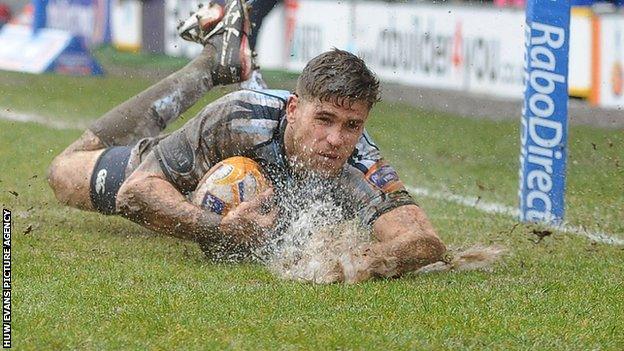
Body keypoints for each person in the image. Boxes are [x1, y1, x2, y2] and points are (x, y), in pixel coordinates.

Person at [47, 0, 446, 282]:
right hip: (200, 163)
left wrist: (355, 261)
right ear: (293, 109)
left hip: (243, 181)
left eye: (351, 125)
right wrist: (218, 228)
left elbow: (423, 242)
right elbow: (136, 193)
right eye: (323, 119)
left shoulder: (361, 163)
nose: (335, 139)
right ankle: (207, 67)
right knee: (64, 172)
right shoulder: (239, 117)